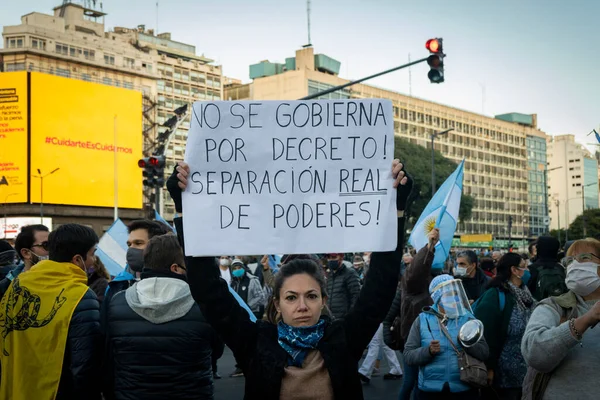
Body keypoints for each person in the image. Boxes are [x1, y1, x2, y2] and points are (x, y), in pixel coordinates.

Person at [167, 159, 412, 399]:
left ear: (323, 300)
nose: (302, 306)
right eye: (291, 297)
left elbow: (381, 285)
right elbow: (209, 291)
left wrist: (395, 210)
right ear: (277, 303)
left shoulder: (344, 339)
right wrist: (185, 211)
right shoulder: (256, 343)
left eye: (311, 296)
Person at [103, 233, 215, 400]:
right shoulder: (204, 303)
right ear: (176, 267)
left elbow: (108, 357)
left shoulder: (117, 302)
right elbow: (216, 351)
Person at [0, 224, 102, 400]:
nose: (94, 260)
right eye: (93, 253)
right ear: (78, 259)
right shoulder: (81, 295)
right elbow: (84, 366)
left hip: (15, 388)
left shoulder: (18, 284)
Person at [521, 238, 600, 400]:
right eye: (569, 260)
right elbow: (533, 353)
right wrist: (583, 321)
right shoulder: (554, 307)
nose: (575, 264)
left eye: (584, 257)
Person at [404, 275, 489, 400]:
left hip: (464, 389)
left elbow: (484, 353)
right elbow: (408, 355)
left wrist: (468, 342)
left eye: (456, 293)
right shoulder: (422, 320)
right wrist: (428, 351)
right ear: (437, 297)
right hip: (430, 391)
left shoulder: (468, 319)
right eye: (449, 294)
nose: (455, 298)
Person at [384, 228, 438, 400]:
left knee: (421, 383)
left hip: (432, 340)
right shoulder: (412, 282)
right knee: (410, 382)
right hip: (413, 341)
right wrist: (430, 246)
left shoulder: (434, 282)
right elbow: (389, 315)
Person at [475, 253, 536, 400]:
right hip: (503, 376)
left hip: (526, 373)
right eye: (524, 267)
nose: (527, 270)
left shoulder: (526, 294)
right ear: (514, 270)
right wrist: (489, 367)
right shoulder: (495, 296)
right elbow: (487, 334)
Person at [103, 220, 170, 309]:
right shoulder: (117, 285)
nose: (131, 249)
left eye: (138, 243)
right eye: (129, 244)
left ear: (158, 246)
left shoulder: (179, 284)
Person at [0, 224, 50, 300]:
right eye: (46, 245)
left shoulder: (62, 279)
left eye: (54, 245)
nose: (53, 250)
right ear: (26, 253)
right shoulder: (6, 288)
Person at [527, 236, 567, 301]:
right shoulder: (560, 267)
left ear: (539, 249)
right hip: (560, 305)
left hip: (539, 307)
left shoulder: (532, 268)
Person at [325, 252, 361, 319]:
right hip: (331, 319)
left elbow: (356, 297)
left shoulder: (350, 273)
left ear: (341, 257)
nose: (330, 260)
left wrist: (350, 317)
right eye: (328, 257)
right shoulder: (329, 276)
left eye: (333, 257)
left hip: (345, 320)